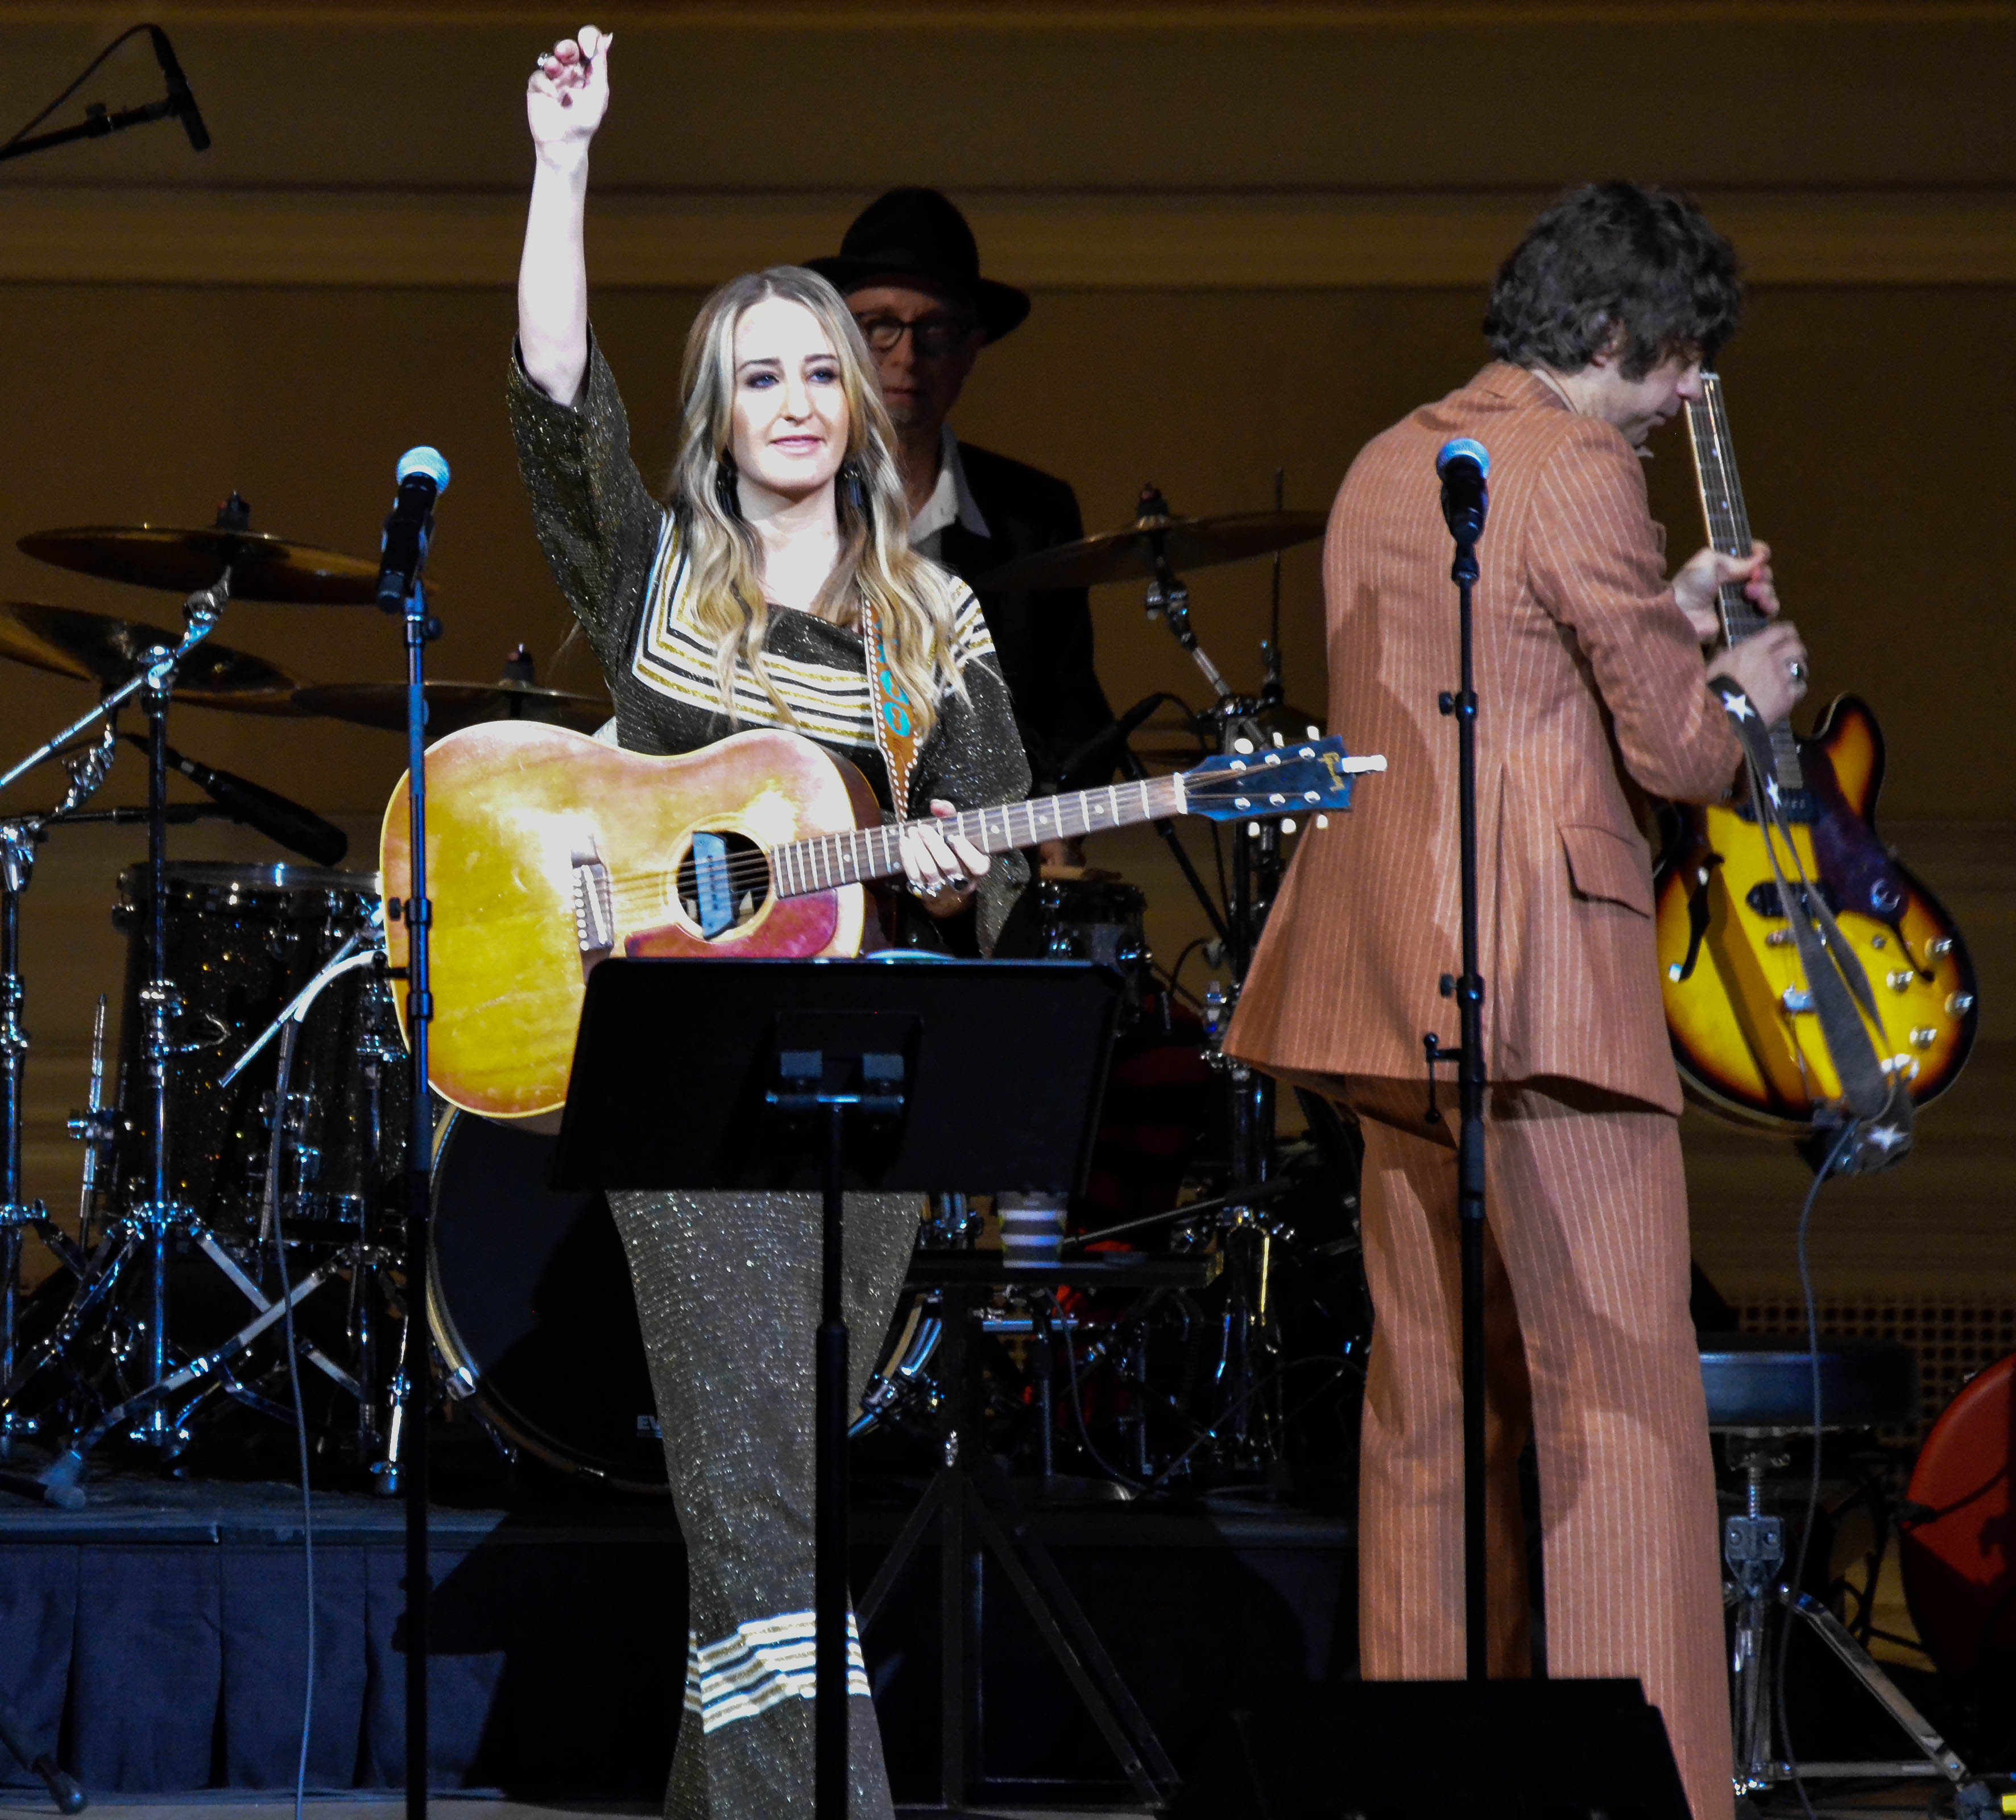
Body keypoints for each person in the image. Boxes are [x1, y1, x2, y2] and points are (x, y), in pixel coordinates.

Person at [1226, 183, 1809, 1820]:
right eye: (1679, 359)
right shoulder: (1582, 469)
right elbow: (1678, 754)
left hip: (1384, 991)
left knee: (1430, 1417)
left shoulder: (1389, 458)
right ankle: (1663, 1796)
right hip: (1547, 993)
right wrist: (1745, 687)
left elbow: (1513, 657)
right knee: (1618, 1409)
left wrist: (1668, 615)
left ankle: (1427, 1785)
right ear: (1615, 338)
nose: (1688, 392)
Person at [512, 27, 1030, 1819]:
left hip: (866, 1086)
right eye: (763, 375)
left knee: (771, 1483)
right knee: (763, 1487)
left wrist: (968, 866)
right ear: (718, 412)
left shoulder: (936, 624)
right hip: (678, 1077)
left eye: (825, 367)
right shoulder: (655, 581)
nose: (805, 396)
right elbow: (552, 389)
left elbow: (993, 832)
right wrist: (561, 164)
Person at [807, 188, 1117, 801]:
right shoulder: (780, 498)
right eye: (879, 328)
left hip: (988, 863)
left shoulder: (1034, 514)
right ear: (838, 341)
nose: (907, 356)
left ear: (971, 348)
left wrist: (1052, 812)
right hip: (822, 852)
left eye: (937, 331)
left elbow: (1073, 720)